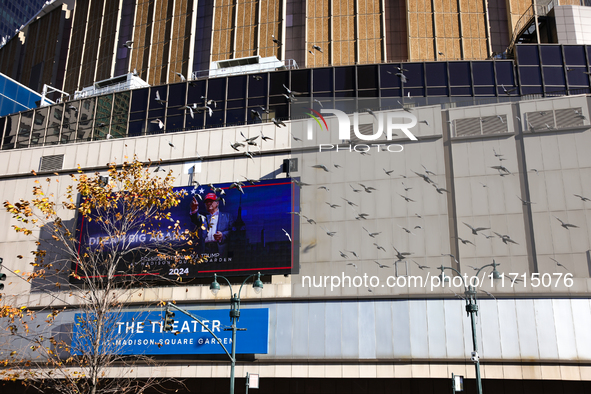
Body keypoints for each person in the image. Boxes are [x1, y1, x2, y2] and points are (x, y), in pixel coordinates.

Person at [190, 193, 233, 257]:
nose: (208, 203)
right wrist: (194, 209)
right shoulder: (203, 216)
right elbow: (195, 219)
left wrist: (222, 235)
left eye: (211, 201)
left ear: (217, 203)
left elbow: (232, 232)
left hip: (219, 249)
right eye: (206, 202)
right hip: (205, 250)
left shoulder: (227, 217)